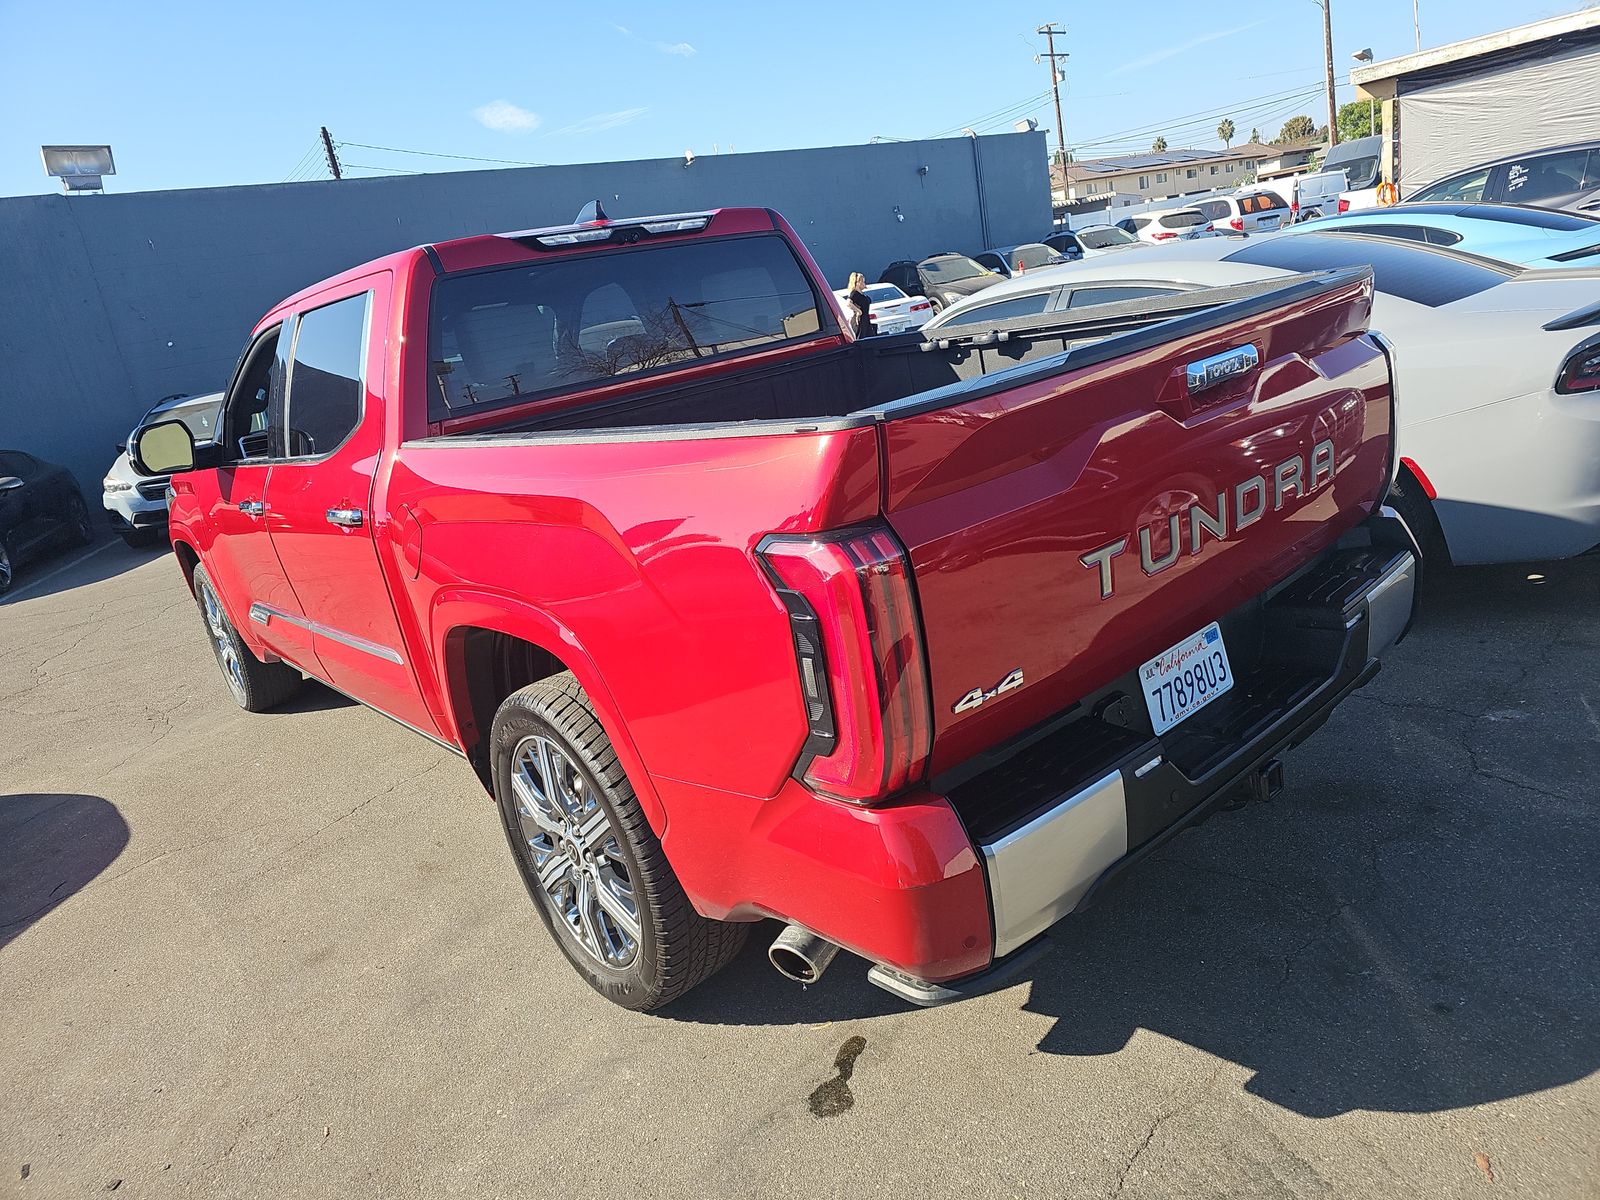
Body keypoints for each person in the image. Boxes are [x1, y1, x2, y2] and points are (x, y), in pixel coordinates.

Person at [844, 272, 872, 338]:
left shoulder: (861, 293)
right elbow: (848, 303)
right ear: (858, 282)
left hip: (866, 318)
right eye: (862, 282)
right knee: (862, 336)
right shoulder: (854, 293)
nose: (864, 283)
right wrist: (858, 311)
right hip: (861, 319)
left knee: (870, 336)